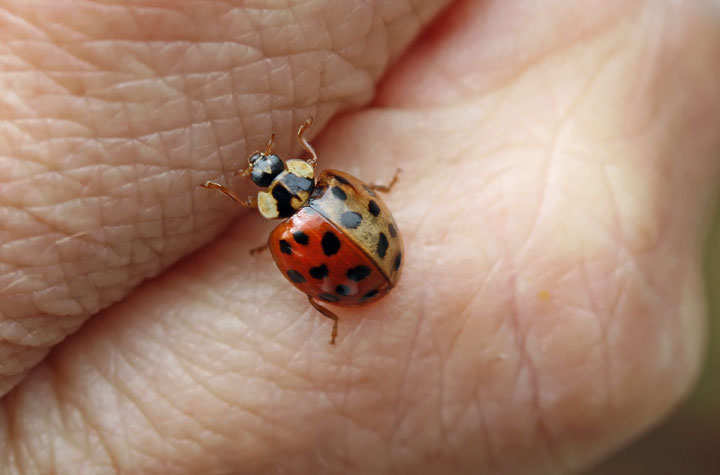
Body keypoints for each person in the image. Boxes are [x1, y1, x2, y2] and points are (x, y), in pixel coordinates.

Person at [1, 0, 718, 473]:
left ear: (283, 176)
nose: (268, 171)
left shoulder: (289, 232)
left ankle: (338, 320)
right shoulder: (311, 208)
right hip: (365, 268)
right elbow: (361, 199)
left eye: (269, 171)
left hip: (365, 275)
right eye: (269, 173)